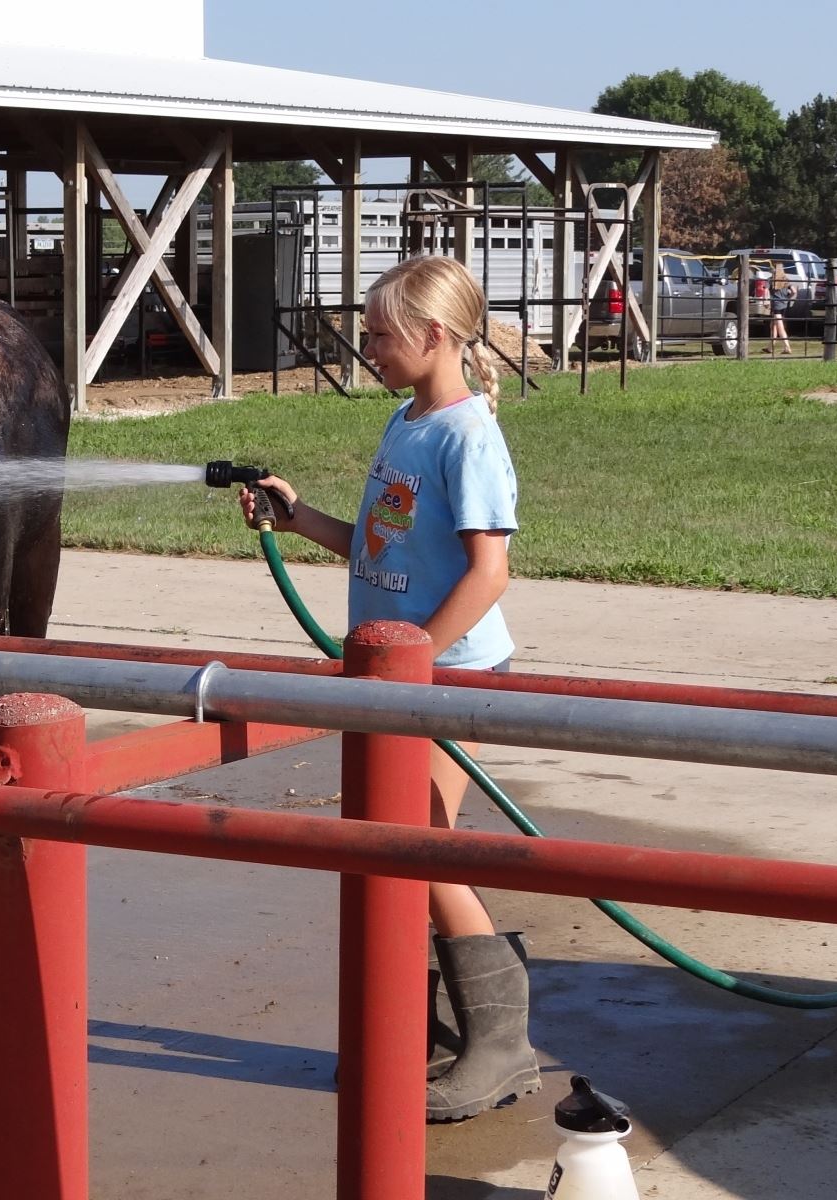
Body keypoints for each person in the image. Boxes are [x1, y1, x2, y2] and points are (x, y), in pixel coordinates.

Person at [237, 255, 539, 1123]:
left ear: (434, 336)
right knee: (399, 851)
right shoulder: (407, 420)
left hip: (449, 677)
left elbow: (490, 574)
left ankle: (501, 1047)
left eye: (379, 335)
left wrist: (414, 666)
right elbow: (380, 551)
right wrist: (298, 519)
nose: (366, 347)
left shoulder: (466, 435)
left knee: (421, 849)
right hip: (396, 680)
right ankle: (416, 1036)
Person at [767, 262, 793, 355]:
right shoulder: (786, 280)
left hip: (776, 305)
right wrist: (787, 298)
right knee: (773, 325)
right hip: (784, 305)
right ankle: (770, 347)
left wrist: (766, 301)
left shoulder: (770, 280)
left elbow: (766, 291)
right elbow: (793, 291)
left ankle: (787, 347)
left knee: (779, 326)